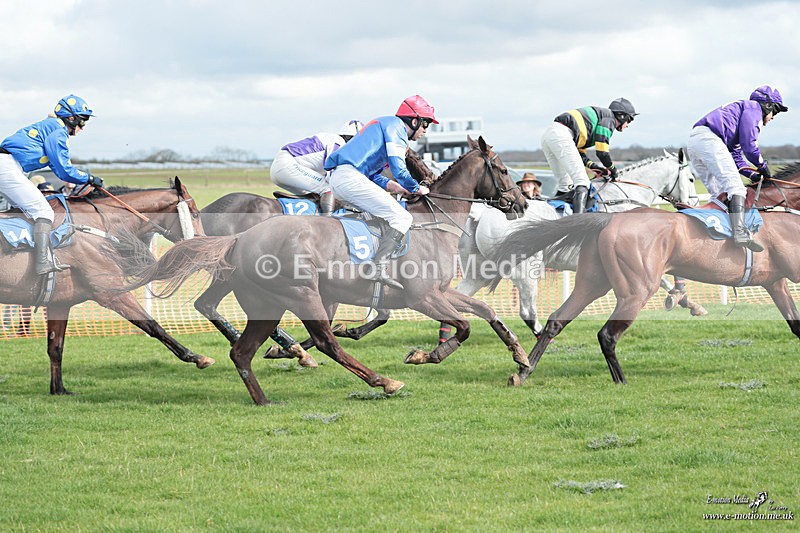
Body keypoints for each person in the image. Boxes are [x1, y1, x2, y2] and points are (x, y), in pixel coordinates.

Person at [325, 95, 436, 289]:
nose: (425, 130)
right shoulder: (397, 128)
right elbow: (399, 170)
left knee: (380, 217)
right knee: (402, 218)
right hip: (349, 178)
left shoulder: (387, 126)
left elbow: (374, 176)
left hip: (343, 178)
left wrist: (399, 188)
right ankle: (376, 268)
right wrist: (417, 188)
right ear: (415, 120)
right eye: (426, 124)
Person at [0, 94, 104, 275]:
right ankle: (41, 263)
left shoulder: (52, 128)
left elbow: (57, 168)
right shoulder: (58, 131)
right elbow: (64, 170)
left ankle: (17, 253)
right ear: (71, 118)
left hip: (10, 166)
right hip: (7, 166)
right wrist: (88, 178)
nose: (82, 127)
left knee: (21, 210)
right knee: (43, 212)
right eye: (83, 122)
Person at [687, 85, 787, 252]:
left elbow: (736, 156)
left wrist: (751, 174)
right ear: (767, 105)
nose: (773, 117)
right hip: (709, 140)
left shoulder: (740, 115)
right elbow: (750, 146)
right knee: (736, 189)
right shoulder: (754, 108)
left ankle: (716, 237)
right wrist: (762, 165)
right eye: (775, 112)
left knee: (720, 193)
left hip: (697, 142)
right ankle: (740, 234)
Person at [541, 98, 637, 214]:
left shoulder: (595, 121)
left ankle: (555, 217)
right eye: (629, 120)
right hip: (561, 135)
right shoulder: (609, 119)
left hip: (549, 136)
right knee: (583, 182)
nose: (628, 125)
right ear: (622, 116)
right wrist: (612, 169)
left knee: (564, 186)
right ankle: (578, 222)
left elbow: (580, 155)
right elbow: (602, 152)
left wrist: (596, 167)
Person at [270, 120, 364, 214]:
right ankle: (327, 221)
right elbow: (332, 173)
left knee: (316, 195)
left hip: (282, 166)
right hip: (287, 165)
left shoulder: (331, 139)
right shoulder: (338, 142)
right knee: (328, 189)